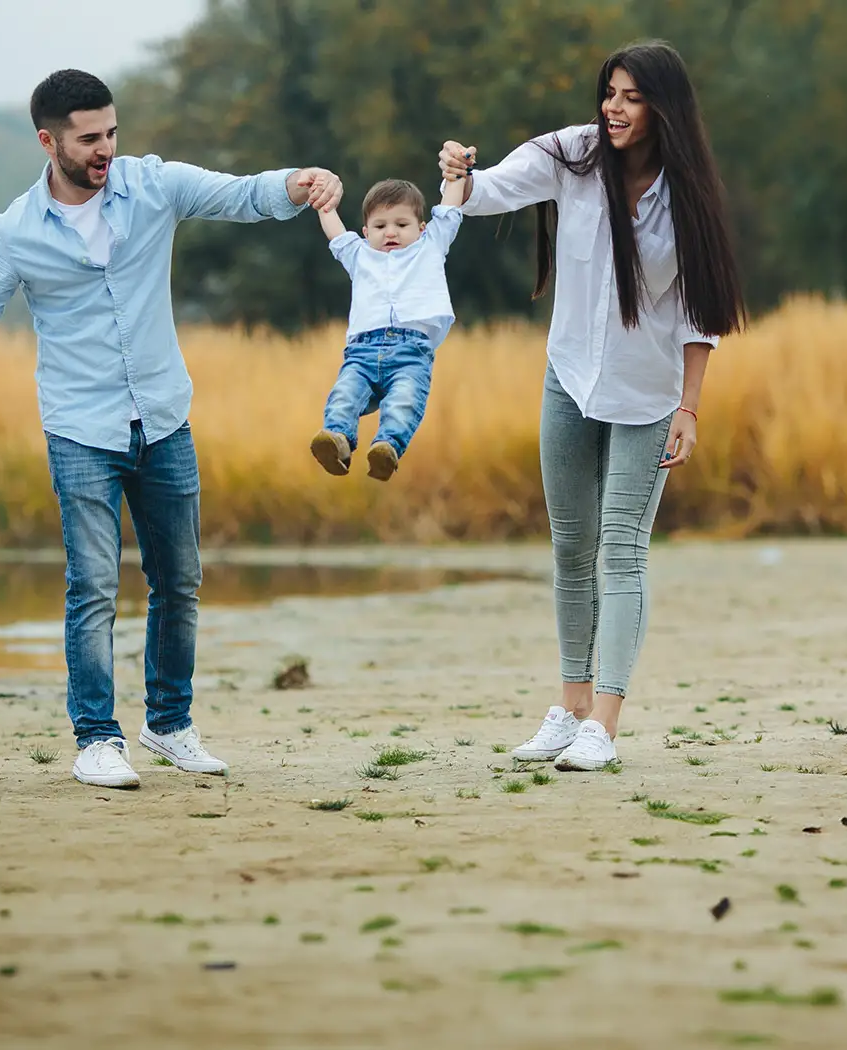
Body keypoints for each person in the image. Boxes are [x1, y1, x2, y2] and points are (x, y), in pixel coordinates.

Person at [0, 68, 341, 788]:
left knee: (181, 580)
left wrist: (300, 181)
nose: (105, 147)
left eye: (111, 131)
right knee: (95, 586)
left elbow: (241, 194)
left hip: (164, 418)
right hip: (81, 428)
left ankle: (169, 725)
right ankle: (97, 739)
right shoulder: (14, 232)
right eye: (88, 138)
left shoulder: (153, 185)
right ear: (48, 141)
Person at [439, 40, 746, 771]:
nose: (613, 107)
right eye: (610, 91)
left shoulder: (690, 197)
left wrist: (690, 408)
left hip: (647, 398)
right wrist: (457, 175)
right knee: (572, 551)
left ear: (664, 108)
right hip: (569, 380)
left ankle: (604, 724)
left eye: (632, 96)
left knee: (621, 549)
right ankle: (570, 707)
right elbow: (490, 192)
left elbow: (702, 313)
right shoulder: (572, 155)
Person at [308, 175, 468, 481]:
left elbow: (449, 210)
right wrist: (321, 200)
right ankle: (336, 441)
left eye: (401, 225)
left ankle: (386, 447)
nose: (390, 233)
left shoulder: (430, 246)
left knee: (404, 401)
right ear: (366, 232)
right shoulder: (359, 255)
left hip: (412, 351)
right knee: (344, 394)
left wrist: (456, 174)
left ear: (421, 228)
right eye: (380, 226)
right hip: (362, 352)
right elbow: (335, 231)